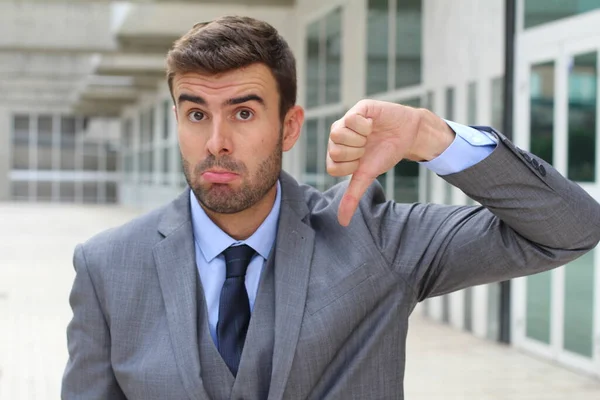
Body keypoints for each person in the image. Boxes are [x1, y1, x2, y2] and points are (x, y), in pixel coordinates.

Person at [61, 15, 600, 400]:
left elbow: (567, 229)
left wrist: (432, 136)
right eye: (196, 114)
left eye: (243, 114)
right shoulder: (108, 266)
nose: (216, 142)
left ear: (289, 126)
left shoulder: (372, 239)